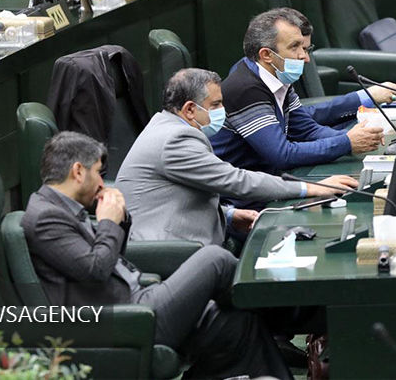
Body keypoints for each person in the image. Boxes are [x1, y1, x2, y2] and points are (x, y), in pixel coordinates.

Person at [22, 131, 292, 379]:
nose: (102, 182)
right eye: (97, 173)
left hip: (140, 297)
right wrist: (108, 223)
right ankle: (289, 305)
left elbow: (109, 258)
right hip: (132, 316)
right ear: (78, 172)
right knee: (214, 259)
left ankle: (276, 315)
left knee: (238, 323)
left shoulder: (61, 207)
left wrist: (121, 219)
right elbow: (95, 269)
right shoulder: (46, 217)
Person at [116, 68, 359, 246]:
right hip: (170, 249)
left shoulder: (169, 127)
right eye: (216, 104)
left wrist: (229, 216)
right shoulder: (175, 140)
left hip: (188, 237)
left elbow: (183, 194)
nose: (223, 111)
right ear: (190, 109)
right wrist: (310, 188)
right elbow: (235, 181)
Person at [211, 8, 394, 208]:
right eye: (295, 47)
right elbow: (282, 154)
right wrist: (346, 142)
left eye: (304, 48)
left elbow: (307, 129)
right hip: (241, 201)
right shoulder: (245, 88)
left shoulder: (276, 73)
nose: (304, 57)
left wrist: (355, 138)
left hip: (272, 183)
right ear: (266, 55)